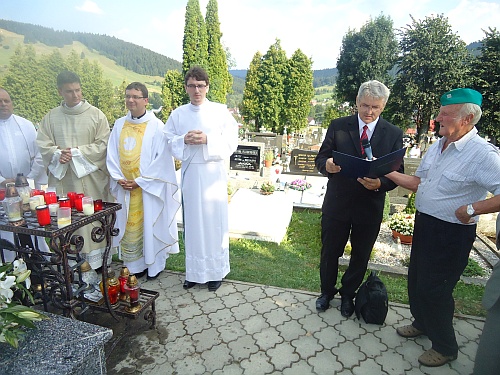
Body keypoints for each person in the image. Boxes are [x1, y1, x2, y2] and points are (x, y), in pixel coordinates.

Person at [386, 88, 500, 367]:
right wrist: (380, 170)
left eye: (445, 113)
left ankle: (445, 346)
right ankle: (422, 323)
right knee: (416, 281)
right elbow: (418, 183)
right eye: (440, 111)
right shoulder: (438, 145)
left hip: (451, 233)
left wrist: (473, 209)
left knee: (435, 290)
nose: (438, 118)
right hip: (426, 224)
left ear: (467, 118)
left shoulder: (482, 154)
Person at [315, 80, 403, 317]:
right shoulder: (339, 126)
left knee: (360, 255)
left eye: (375, 107)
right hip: (338, 203)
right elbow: (321, 159)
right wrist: (328, 166)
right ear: (356, 102)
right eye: (364, 105)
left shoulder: (393, 133)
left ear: (383, 106)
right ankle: (326, 292)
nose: (369, 112)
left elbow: (397, 174)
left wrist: (380, 183)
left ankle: (347, 294)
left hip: (369, 206)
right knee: (330, 251)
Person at [163, 66, 238, 292]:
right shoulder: (178, 114)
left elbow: (231, 140)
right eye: (192, 85)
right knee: (193, 224)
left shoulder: (220, 111)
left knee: (214, 223)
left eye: (201, 85)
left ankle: (216, 272)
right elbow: (167, 139)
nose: (197, 90)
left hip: (213, 173)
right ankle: (194, 273)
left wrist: (207, 139)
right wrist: (183, 140)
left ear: (207, 87)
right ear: (186, 88)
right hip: (191, 173)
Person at [36, 71, 113, 269]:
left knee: (91, 224)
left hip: (91, 183)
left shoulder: (96, 115)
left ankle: (96, 266)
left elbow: (104, 144)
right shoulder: (51, 118)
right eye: (69, 91)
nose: (75, 95)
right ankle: (70, 265)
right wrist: (56, 154)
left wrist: (77, 153)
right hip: (65, 182)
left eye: (77, 90)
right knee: (67, 221)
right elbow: (43, 144)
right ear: (60, 91)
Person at [106, 82, 180, 279]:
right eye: (128, 96)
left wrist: (141, 181)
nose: (130, 100)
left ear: (145, 101)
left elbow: (162, 160)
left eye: (135, 97)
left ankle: (154, 266)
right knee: (128, 225)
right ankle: (133, 266)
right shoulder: (119, 124)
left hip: (148, 189)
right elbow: (111, 153)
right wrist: (118, 178)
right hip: (125, 188)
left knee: (150, 224)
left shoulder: (157, 126)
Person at [0, 87, 48, 262]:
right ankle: (10, 265)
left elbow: (39, 155)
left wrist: (26, 179)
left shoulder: (26, 125)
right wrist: (3, 181)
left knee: (32, 224)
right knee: (6, 228)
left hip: (26, 186)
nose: (4, 104)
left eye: (7, 100)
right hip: (2, 189)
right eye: (0, 101)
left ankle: (40, 261)